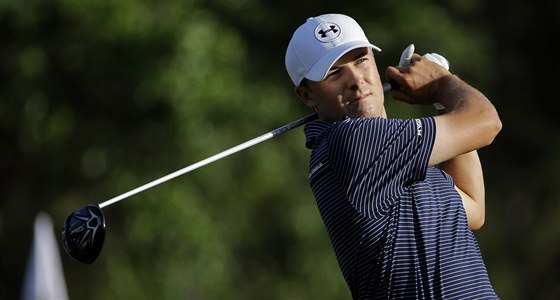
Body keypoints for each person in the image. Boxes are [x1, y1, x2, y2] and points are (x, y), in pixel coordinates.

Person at [285, 13, 502, 299]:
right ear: (307, 95)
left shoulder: (394, 157)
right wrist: (442, 83)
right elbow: (486, 122)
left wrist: (441, 100)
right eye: (334, 73)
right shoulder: (352, 143)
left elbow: (472, 209)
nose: (355, 80)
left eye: (361, 60)